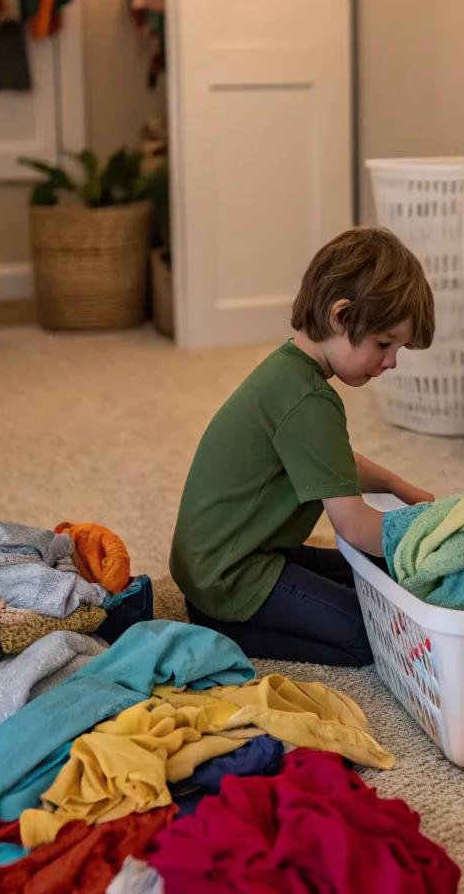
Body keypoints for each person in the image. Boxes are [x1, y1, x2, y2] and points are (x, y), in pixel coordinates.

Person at [172, 227, 436, 665]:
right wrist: (427, 541)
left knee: (371, 573)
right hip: (231, 576)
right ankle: (225, 629)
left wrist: (399, 487)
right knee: (372, 635)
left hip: (231, 557)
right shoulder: (309, 400)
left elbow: (327, 461)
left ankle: (223, 612)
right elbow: (354, 526)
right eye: (384, 344)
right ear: (341, 317)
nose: (391, 361)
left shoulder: (290, 373)